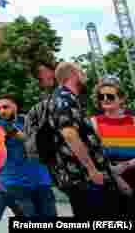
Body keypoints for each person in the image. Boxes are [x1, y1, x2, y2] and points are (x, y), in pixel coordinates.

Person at [47, 62, 131, 218]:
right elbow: (70, 135)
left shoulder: (69, 98)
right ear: (73, 74)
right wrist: (91, 169)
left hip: (89, 180)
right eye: (81, 71)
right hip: (85, 181)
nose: (84, 75)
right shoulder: (63, 99)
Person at [0, 95, 56, 233]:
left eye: (5, 107)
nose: (1, 111)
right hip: (17, 184)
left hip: (42, 181)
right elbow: (26, 139)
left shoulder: (28, 120)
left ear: (15, 107)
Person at [90, 76, 135, 216]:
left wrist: (127, 165)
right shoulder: (94, 122)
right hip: (110, 184)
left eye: (109, 95)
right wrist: (116, 176)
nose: (105, 99)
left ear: (121, 98)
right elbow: (93, 155)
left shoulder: (133, 121)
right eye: (101, 96)